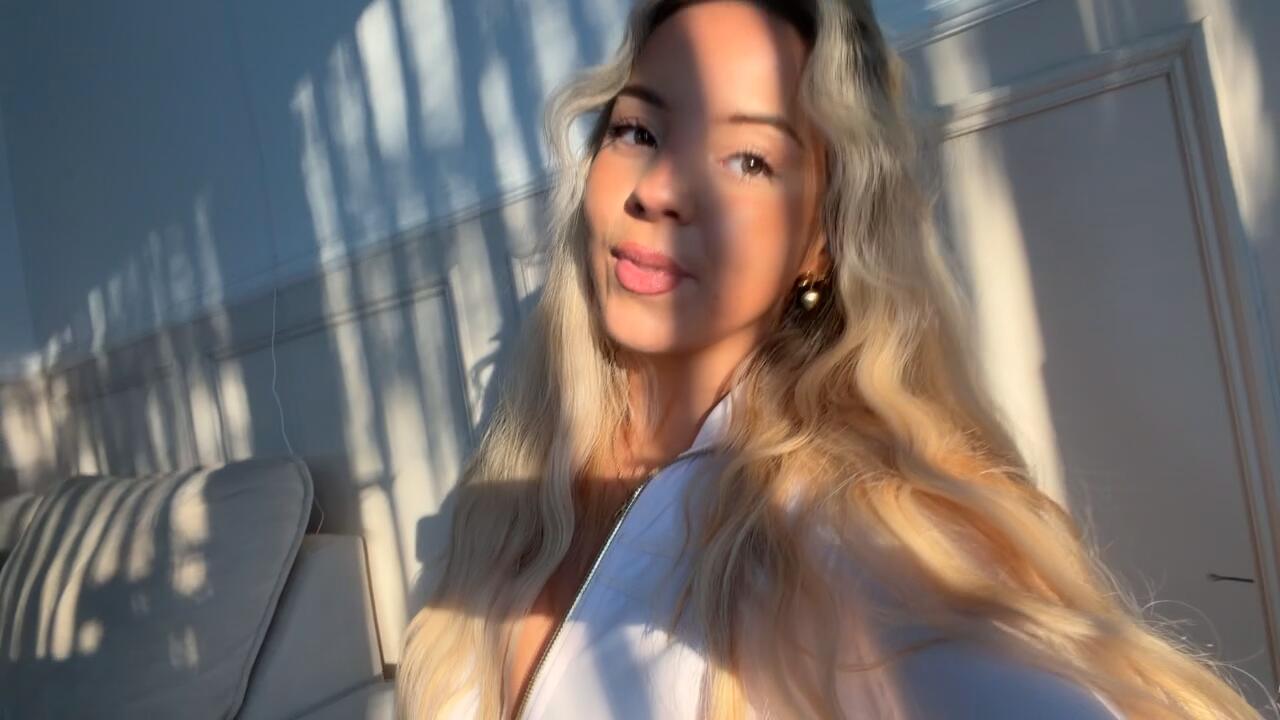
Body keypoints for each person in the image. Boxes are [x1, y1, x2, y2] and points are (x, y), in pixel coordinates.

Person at [396, 1, 1264, 717]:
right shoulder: (525, 485)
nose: (656, 191)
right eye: (639, 131)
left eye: (749, 159)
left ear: (821, 241)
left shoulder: (840, 524)